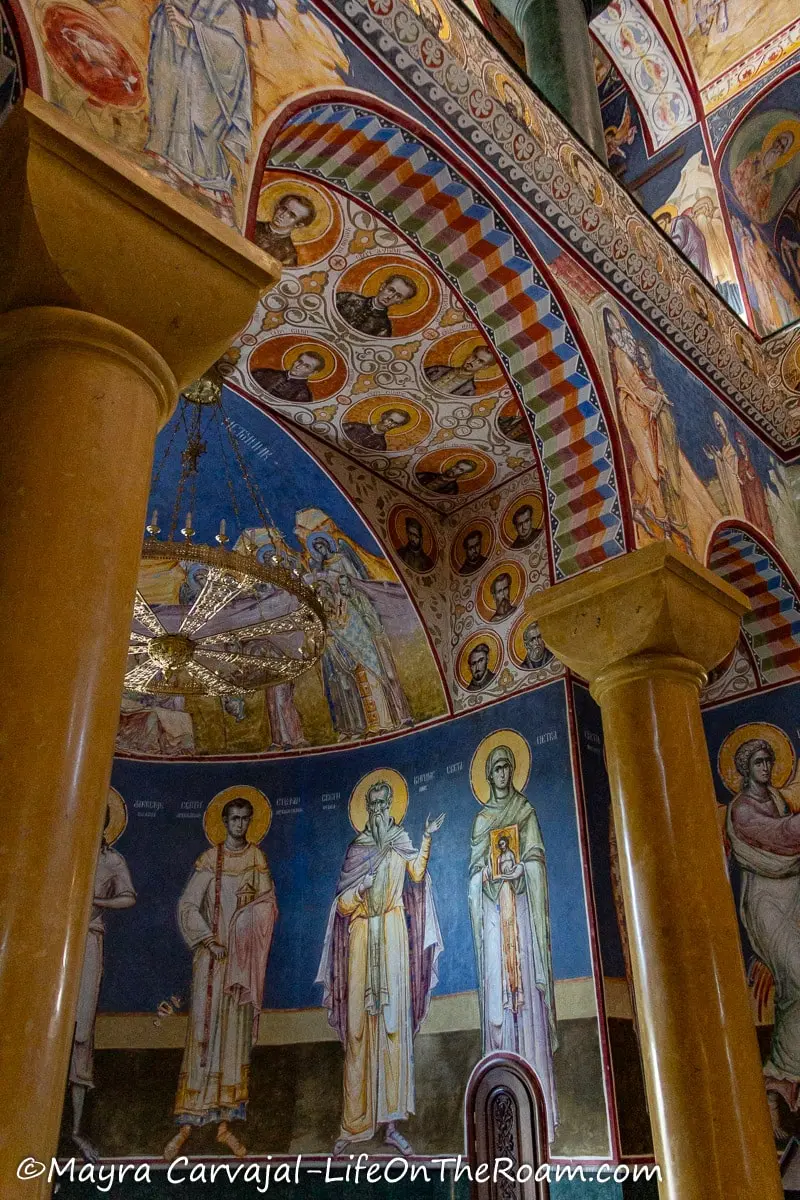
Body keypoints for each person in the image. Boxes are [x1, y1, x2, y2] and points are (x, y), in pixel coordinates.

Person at [316, 781, 444, 1154]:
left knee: (392, 1027)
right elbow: (341, 904)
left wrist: (426, 836)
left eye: (382, 803)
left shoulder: (401, 838)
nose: (376, 810)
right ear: (365, 808)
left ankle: (389, 1124)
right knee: (358, 1029)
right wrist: (359, 889)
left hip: (391, 933)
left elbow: (417, 873)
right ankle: (354, 1126)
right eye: (371, 804)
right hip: (360, 935)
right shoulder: (357, 849)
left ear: (391, 805)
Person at [164, 798, 277, 1160]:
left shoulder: (257, 860)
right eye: (234, 819)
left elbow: (268, 906)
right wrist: (209, 940)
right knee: (203, 1034)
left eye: (246, 819)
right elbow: (187, 906)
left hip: (241, 964)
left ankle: (225, 1126)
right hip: (211, 962)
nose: (240, 825)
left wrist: (249, 922)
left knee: (233, 1041)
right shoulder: (209, 860)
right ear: (224, 821)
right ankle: (187, 1124)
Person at [469, 744, 559, 1142]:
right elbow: (473, 877)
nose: (504, 774)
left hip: (520, 913)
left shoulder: (525, 813)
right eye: (498, 768)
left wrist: (524, 868)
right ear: (489, 775)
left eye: (508, 767)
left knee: (524, 991)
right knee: (499, 997)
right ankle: (501, 1115)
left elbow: (537, 860)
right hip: (493, 918)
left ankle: (539, 1113)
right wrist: (485, 877)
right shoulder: (481, 821)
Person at [726, 739, 800, 1140]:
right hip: (765, 904)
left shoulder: (776, 799)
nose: (766, 768)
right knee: (797, 978)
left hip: (793, 899)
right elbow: (780, 837)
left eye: (769, 761)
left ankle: (789, 1073)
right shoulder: (742, 809)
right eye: (758, 761)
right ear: (744, 767)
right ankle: (779, 1073)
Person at [69, 810, 136, 1163]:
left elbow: (128, 896)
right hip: (53, 944)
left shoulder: (112, 860)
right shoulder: (63, 850)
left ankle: (77, 1130)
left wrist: (95, 902)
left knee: (82, 1031)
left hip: (90, 940)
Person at [144, 0, 251, 215]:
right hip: (177, 72)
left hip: (204, 87)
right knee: (169, 114)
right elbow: (162, 25)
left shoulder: (226, 7)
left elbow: (234, 53)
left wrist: (192, 26)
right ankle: (170, 168)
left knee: (199, 127)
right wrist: (167, 19)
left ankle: (211, 186)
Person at [732, 130, 797, 225]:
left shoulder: (770, 177)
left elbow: (762, 203)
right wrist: (750, 181)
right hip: (736, 194)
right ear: (775, 140)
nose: (778, 147)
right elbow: (737, 175)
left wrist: (756, 186)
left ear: (783, 152)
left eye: (782, 147)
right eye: (778, 142)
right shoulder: (755, 156)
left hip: (750, 209)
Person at [336, 275, 418, 338]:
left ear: (400, 302)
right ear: (383, 286)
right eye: (391, 290)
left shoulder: (384, 328)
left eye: (398, 296)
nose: (390, 297)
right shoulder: (347, 297)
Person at [253, 194, 315, 266]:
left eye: (291, 215)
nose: (282, 215)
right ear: (277, 207)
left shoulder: (288, 254)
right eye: (283, 208)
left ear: (298, 224)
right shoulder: (253, 224)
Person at [734, 431, 775, 541]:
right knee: (753, 514)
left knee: (761, 512)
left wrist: (748, 475)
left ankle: (766, 535)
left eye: (741, 443)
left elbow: (754, 475)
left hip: (756, 492)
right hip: (748, 495)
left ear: (745, 444)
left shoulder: (753, 459)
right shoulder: (741, 462)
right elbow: (742, 478)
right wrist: (741, 480)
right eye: (738, 444)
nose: (740, 447)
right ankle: (758, 534)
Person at [704, 411, 744, 519]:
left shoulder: (732, 447)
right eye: (718, 427)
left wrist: (721, 458)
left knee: (737, 506)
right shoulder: (724, 448)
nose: (720, 430)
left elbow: (733, 468)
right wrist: (714, 456)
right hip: (727, 482)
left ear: (725, 427)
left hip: (734, 482)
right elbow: (722, 462)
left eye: (720, 426)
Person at [251, 350, 325, 404]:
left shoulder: (303, 395)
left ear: (313, 372)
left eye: (306, 366)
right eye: (299, 361)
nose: (298, 366)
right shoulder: (267, 373)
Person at [424, 346, 494, 396]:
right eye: (474, 357)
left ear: (485, 367)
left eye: (480, 361)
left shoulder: (468, 390)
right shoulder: (439, 369)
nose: (473, 362)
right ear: (469, 355)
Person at [343, 408, 411, 452]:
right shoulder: (354, 426)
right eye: (390, 420)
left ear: (398, 426)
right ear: (384, 416)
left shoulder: (380, 445)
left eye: (395, 423)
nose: (390, 424)